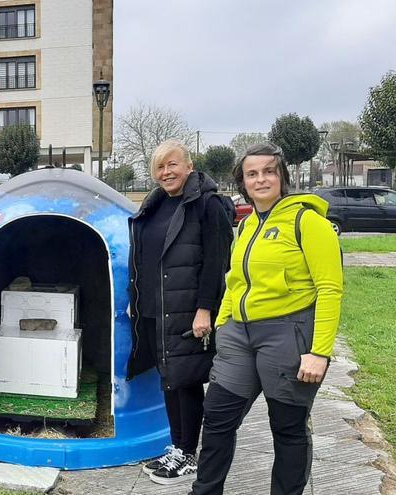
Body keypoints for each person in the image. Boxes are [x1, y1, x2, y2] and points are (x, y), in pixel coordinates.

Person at [190, 143, 343, 495]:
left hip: (288, 336)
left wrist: (319, 352)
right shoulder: (244, 226)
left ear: (282, 176)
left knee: (287, 428)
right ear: (243, 182)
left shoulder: (309, 222)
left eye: (269, 171)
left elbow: (330, 289)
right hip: (238, 338)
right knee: (216, 419)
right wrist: (225, 322)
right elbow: (234, 280)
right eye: (252, 173)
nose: (261, 179)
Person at [127, 139, 234, 485]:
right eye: (160, 167)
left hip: (189, 311)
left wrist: (206, 310)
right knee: (170, 380)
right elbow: (143, 259)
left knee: (186, 380)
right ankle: (177, 447)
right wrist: (137, 297)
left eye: (173, 164)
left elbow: (217, 263)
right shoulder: (154, 206)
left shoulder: (208, 205)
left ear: (189, 166)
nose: (166, 172)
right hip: (159, 311)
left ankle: (187, 454)